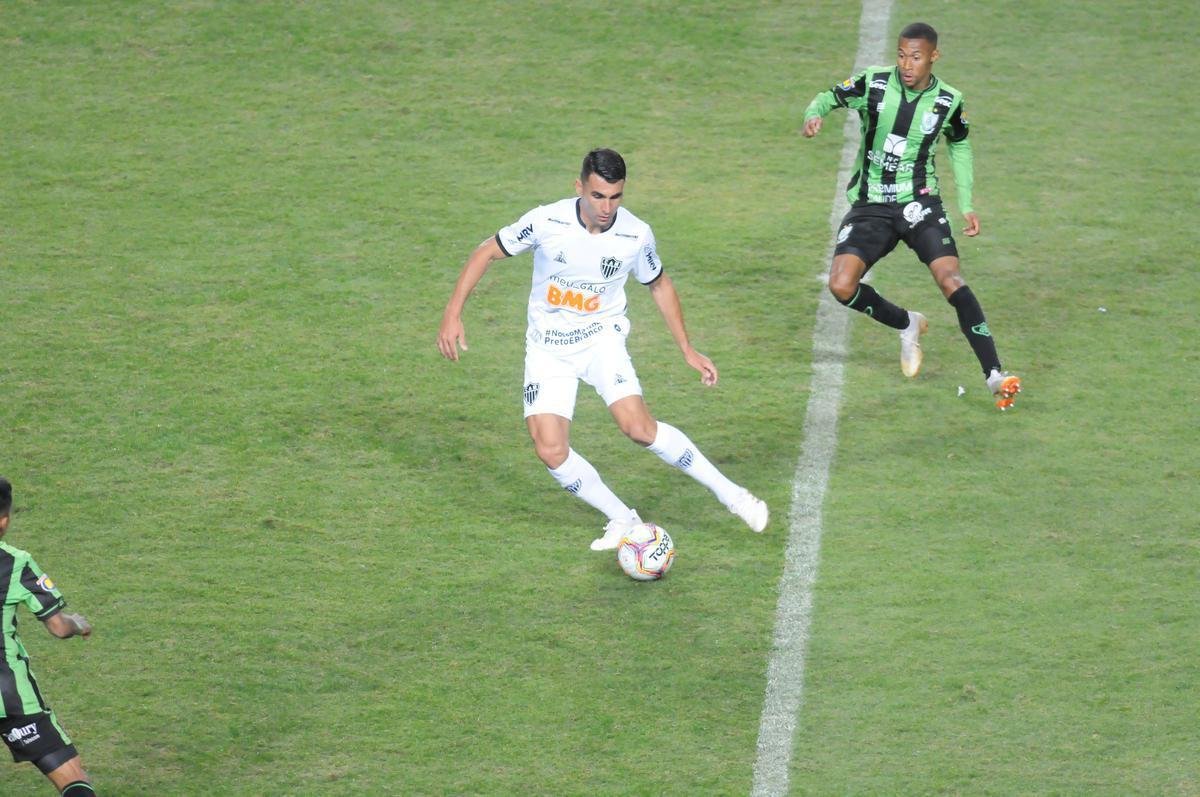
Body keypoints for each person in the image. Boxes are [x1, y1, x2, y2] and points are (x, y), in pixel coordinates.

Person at [437, 148, 768, 549]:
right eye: (598, 196)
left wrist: (687, 348)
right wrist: (453, 313)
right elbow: (487, 249)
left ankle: (732, 495)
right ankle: (622, 519)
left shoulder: (635, 234)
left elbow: (659, 284)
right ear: (579, 188)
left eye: (615, 197)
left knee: (638, 428)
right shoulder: (546, 221)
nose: (607, 207)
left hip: (601, 342)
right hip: (548, 349)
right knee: (550, 449)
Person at [802, 22, 1022, 409]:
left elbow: (961, 145)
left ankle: (994, 374)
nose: (907, 64)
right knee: (840, 285)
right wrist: (813, 114)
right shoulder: (874, 84)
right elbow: (828, 97)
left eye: (916, 57)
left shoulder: (948, 101)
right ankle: (907, 323)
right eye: (902, 54)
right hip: (871, 206)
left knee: (951, 279)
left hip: (920, 203)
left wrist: (966, 202)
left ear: (933, 57)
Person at [0, 478, 96, 796]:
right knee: (72, 777)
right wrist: (77, 623)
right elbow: (57, 626)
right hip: (8, 693)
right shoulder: (15, 563)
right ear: (4, 520)